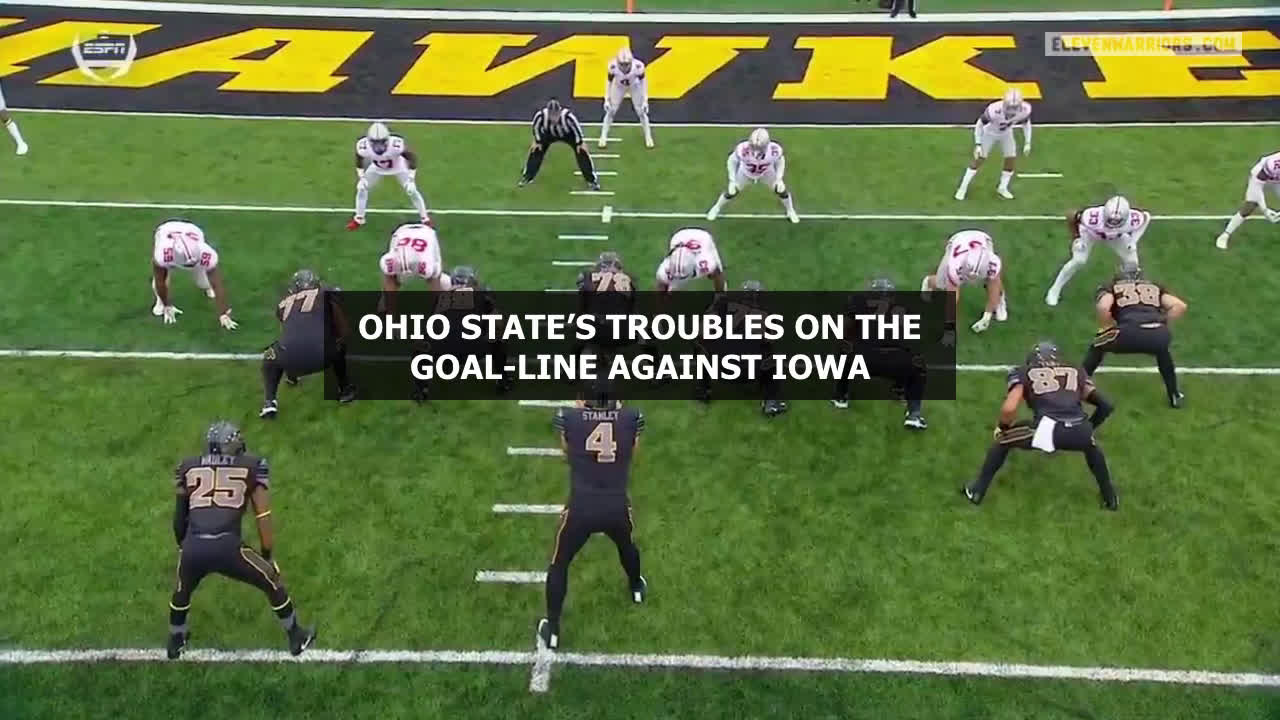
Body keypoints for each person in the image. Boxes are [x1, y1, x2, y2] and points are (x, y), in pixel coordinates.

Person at [167, 421, 316, 659]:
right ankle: (296, 635)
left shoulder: (188, 467)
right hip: (227, 546)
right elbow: (263, 516)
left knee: (182, 589)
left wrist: (183, 547)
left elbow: (179, 518)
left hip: (193, 546)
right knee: (271, 579)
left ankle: (176, 641)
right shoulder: (251, 467)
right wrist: (267, 555)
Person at [537, 379, 647, 651]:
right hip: (616, 506)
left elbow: (567, 452)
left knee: (559, 563)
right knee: (626, 545)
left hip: (581, 508)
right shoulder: (632, 418)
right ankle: (636, 588)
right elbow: (632, 451)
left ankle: (553, 630)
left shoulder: (568, 418)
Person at [963, 341, 1118, 510]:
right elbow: (1106, 405)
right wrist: (1087, 429)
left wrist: (1003, 427)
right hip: (1080, 429)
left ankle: (977, 491)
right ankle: (1110, 499)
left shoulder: (1024, 372)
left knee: (1003, 441)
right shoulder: (1075, 370)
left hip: (1048, 429)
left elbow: (1009, 408)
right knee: (1091, 447)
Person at [1085, 263, 1187, 408]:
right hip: (1157, 334)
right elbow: (1180, 306)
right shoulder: (1154, 287)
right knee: (1163, 351)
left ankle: (1077, 386)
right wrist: (1162, 322)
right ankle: (1174, 394)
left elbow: (1103, 307)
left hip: (1128, 333)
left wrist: (1106, 327)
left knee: (1098, 344)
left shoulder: (1112, 287)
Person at [259, 270, 355, 419]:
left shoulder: (284, 303)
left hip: (290, 359)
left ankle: (270, 401)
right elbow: (342, 329)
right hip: (323, 356)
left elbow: (290, 332)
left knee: (271, 354)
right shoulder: (326, 292)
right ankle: (345, 391)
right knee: (338, 344)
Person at [520, 98, 600, 190]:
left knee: (582, 152)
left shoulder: (568, 117)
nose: (554, 118)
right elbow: (536, 127)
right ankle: (527, 176)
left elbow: (577, 129)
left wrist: (580, 143)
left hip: (568, 135)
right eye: (552, 115)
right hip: (548, 134)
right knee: (536, 150)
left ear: (559, 111)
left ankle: (591, 180)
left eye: (556, 114)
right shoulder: (541, 116)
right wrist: (537, 141)